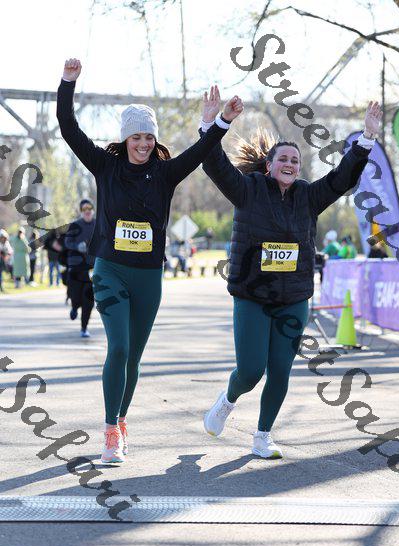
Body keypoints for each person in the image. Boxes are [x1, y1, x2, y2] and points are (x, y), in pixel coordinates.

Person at [57, 59, 232, 464]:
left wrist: (218, 121)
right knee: (118, 348)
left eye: (149, 137)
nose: (143, 144)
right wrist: (68, 82)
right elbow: (68, 127)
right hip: (110, 271)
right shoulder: (105, 165)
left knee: (133, 357)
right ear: (125, 139)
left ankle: (121, 422)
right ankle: (109, 433)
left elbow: (202, 150)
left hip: (149, 277)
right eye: (136, 137)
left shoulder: (166, 173)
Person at [200, 88, 382, 459]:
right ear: (268, 166)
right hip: (252, 295)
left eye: (295, 161)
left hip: (293, 298)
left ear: (299, 168)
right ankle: (228, 400)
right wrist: (213, 124)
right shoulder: (248, 190)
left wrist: (366, 138)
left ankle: (262, 436)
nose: (289, 164)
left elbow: (343, 177)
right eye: (282, 158)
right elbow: (215, 165)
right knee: (251, 371)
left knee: (280, 371)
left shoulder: (308, 197)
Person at [64, 199, 96, 338]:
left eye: (89, 209)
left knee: (88, 299)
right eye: (84, 209)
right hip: (76, 266)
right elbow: (67, 242)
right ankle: (75, 306)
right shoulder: (75, 225)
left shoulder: (98, 225)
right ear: (81, 211)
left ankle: (84, 328)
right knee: (75, 295)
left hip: (91, 267)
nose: (87, 211)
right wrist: (77, 246)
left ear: (93, 210)